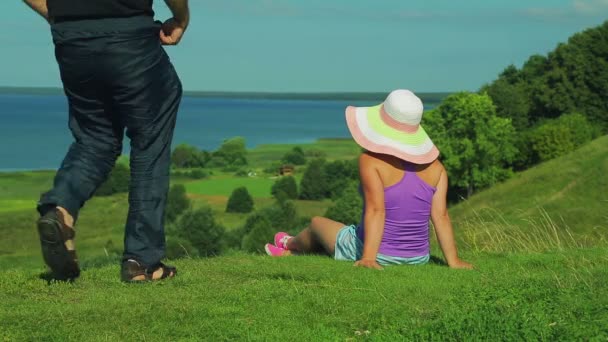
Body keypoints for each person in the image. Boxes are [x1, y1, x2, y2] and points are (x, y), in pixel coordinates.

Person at [23, 0, 189, 281]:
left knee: (94, 139)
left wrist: (58, 13)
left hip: (72, 40)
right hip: (129, 35)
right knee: (150, 138)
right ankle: (143, 261)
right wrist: (181, 18)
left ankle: (60, 209)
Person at [265, 89, 473, 270]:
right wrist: (453, 261)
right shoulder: (437, 168)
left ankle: (290, 244)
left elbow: (376, 210)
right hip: (418, 258)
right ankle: (293, 253)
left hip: (378, 253)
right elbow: (441, 217)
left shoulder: (370, 161)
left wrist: (369, 258)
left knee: (317, 223)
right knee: (344, 229)